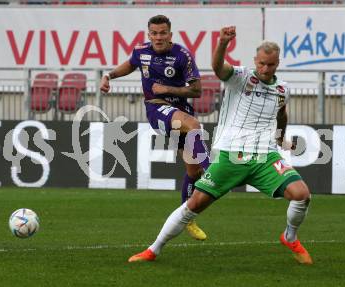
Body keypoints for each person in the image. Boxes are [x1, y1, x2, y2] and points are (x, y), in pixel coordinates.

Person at [128, 26, 313, 265]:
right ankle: (153, 250)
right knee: (193, 205)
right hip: (231, 157)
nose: (266, 69)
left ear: (278, 63)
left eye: (271, 65)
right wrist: (222, 43)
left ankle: (290, 236)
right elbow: (218, 68)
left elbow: (282, 113)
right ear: (255, 61)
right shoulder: (241, 77)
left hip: (265, 157)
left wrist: (280, 137)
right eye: (262, 64)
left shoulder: (282, 90)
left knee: (302, 195)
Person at [100, 15, 211, 241]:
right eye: (154, 33)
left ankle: (187, 217)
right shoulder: (141, 52)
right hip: (156, 108)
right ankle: (215, 172)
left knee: (193, 172)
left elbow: (197, 91)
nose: (158, 37)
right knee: (194, 126)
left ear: (170, 34)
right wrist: (109, 75)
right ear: (149, 34)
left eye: (163, 33)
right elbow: (130, 65)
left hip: (180, 109)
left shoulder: (182, 56)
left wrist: (168, 89)